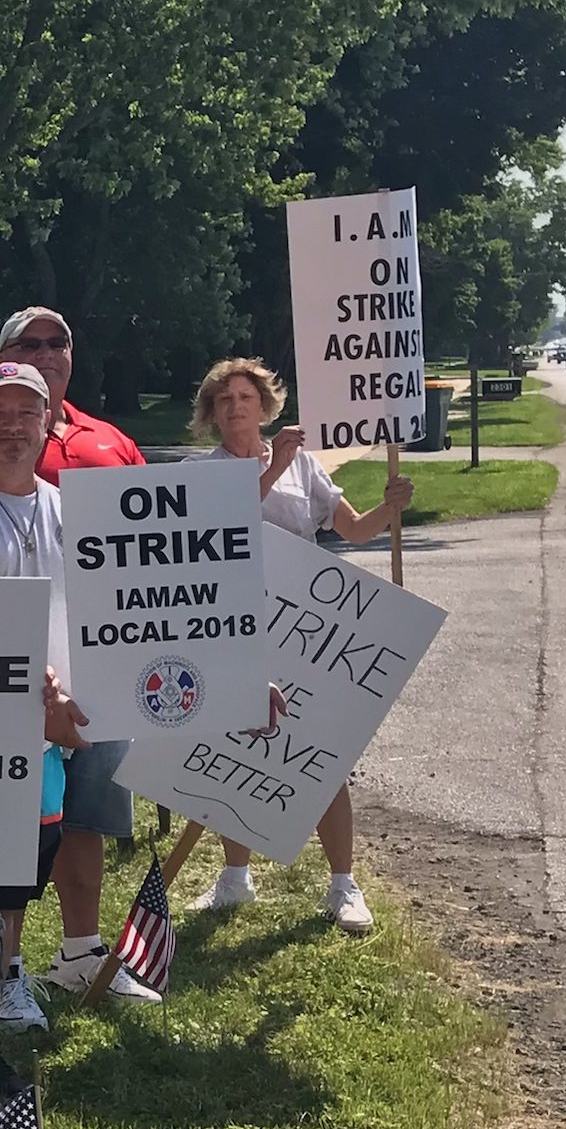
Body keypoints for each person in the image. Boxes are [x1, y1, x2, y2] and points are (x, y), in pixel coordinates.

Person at [0, 362, 162, 1021]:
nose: (13, 427)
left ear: (47, 422)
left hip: (87, 709)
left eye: (26, 414)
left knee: (78, 833)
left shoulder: (74, 510)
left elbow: (142, 602)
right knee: (9, 859)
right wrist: (32, 697)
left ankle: (79, 953)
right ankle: (2, 975)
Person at [189, 355, 414, 933]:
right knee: (237, 748)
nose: (237, 407)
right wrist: (273, 466)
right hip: (239, 626)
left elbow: (354, 529)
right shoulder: (205, 471)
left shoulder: (303, 465)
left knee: (323, 752)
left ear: (265, 405)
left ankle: (343, 883)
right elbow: (219, 530)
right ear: (212, 413)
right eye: (225, 399)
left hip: (304, 631)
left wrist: (390, 507)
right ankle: (234, 878)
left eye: (246, 396)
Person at [0, 306, 144, 487]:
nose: (46, 353)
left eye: (57, 344)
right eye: (29, 344)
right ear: (2, 359)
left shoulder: (113, 438)